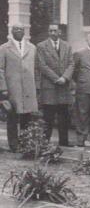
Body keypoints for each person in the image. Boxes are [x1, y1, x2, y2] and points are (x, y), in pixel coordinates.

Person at [0, 23, 39, 152]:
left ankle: (25, 143)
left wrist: (36, 86)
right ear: (11, 31)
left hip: (28, 87)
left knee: (27, 116)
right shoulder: (4, 48)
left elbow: (36, 68)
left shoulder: (32, 48)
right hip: (12, 87)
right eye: (16, 29)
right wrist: (3, 87)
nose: (18, 31)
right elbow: (0, 69)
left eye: (21, 29)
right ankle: (13, 144)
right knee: (12, 117)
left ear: (24, 32)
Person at [36, 24, 74, 146]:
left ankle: (64, 142)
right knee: (48, 117)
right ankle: (45, 142)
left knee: (63, 116)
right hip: (49, 86)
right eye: (50, 30)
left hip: (63, 85)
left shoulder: (67, 46)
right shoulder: (41, 46)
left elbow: (71, 64)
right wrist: (56, 78)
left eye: (55, 30)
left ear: (60, 32)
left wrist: (65, 77)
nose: (53, 33)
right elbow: (42, 65)